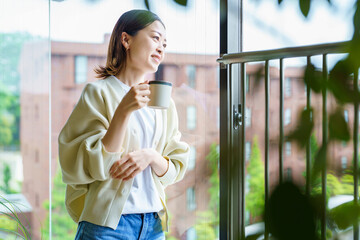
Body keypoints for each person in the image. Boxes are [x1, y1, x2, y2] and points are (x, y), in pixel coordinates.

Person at [58, 9, 189, 240]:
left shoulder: (164, 101)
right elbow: (92, 166)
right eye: (155, 38)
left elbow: (174, 169)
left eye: (165, 44)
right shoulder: (97, 93)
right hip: (108, 228)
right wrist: (123, 110)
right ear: (126, 39)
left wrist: (150, 156)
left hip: (154, 225)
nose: (161, 48)